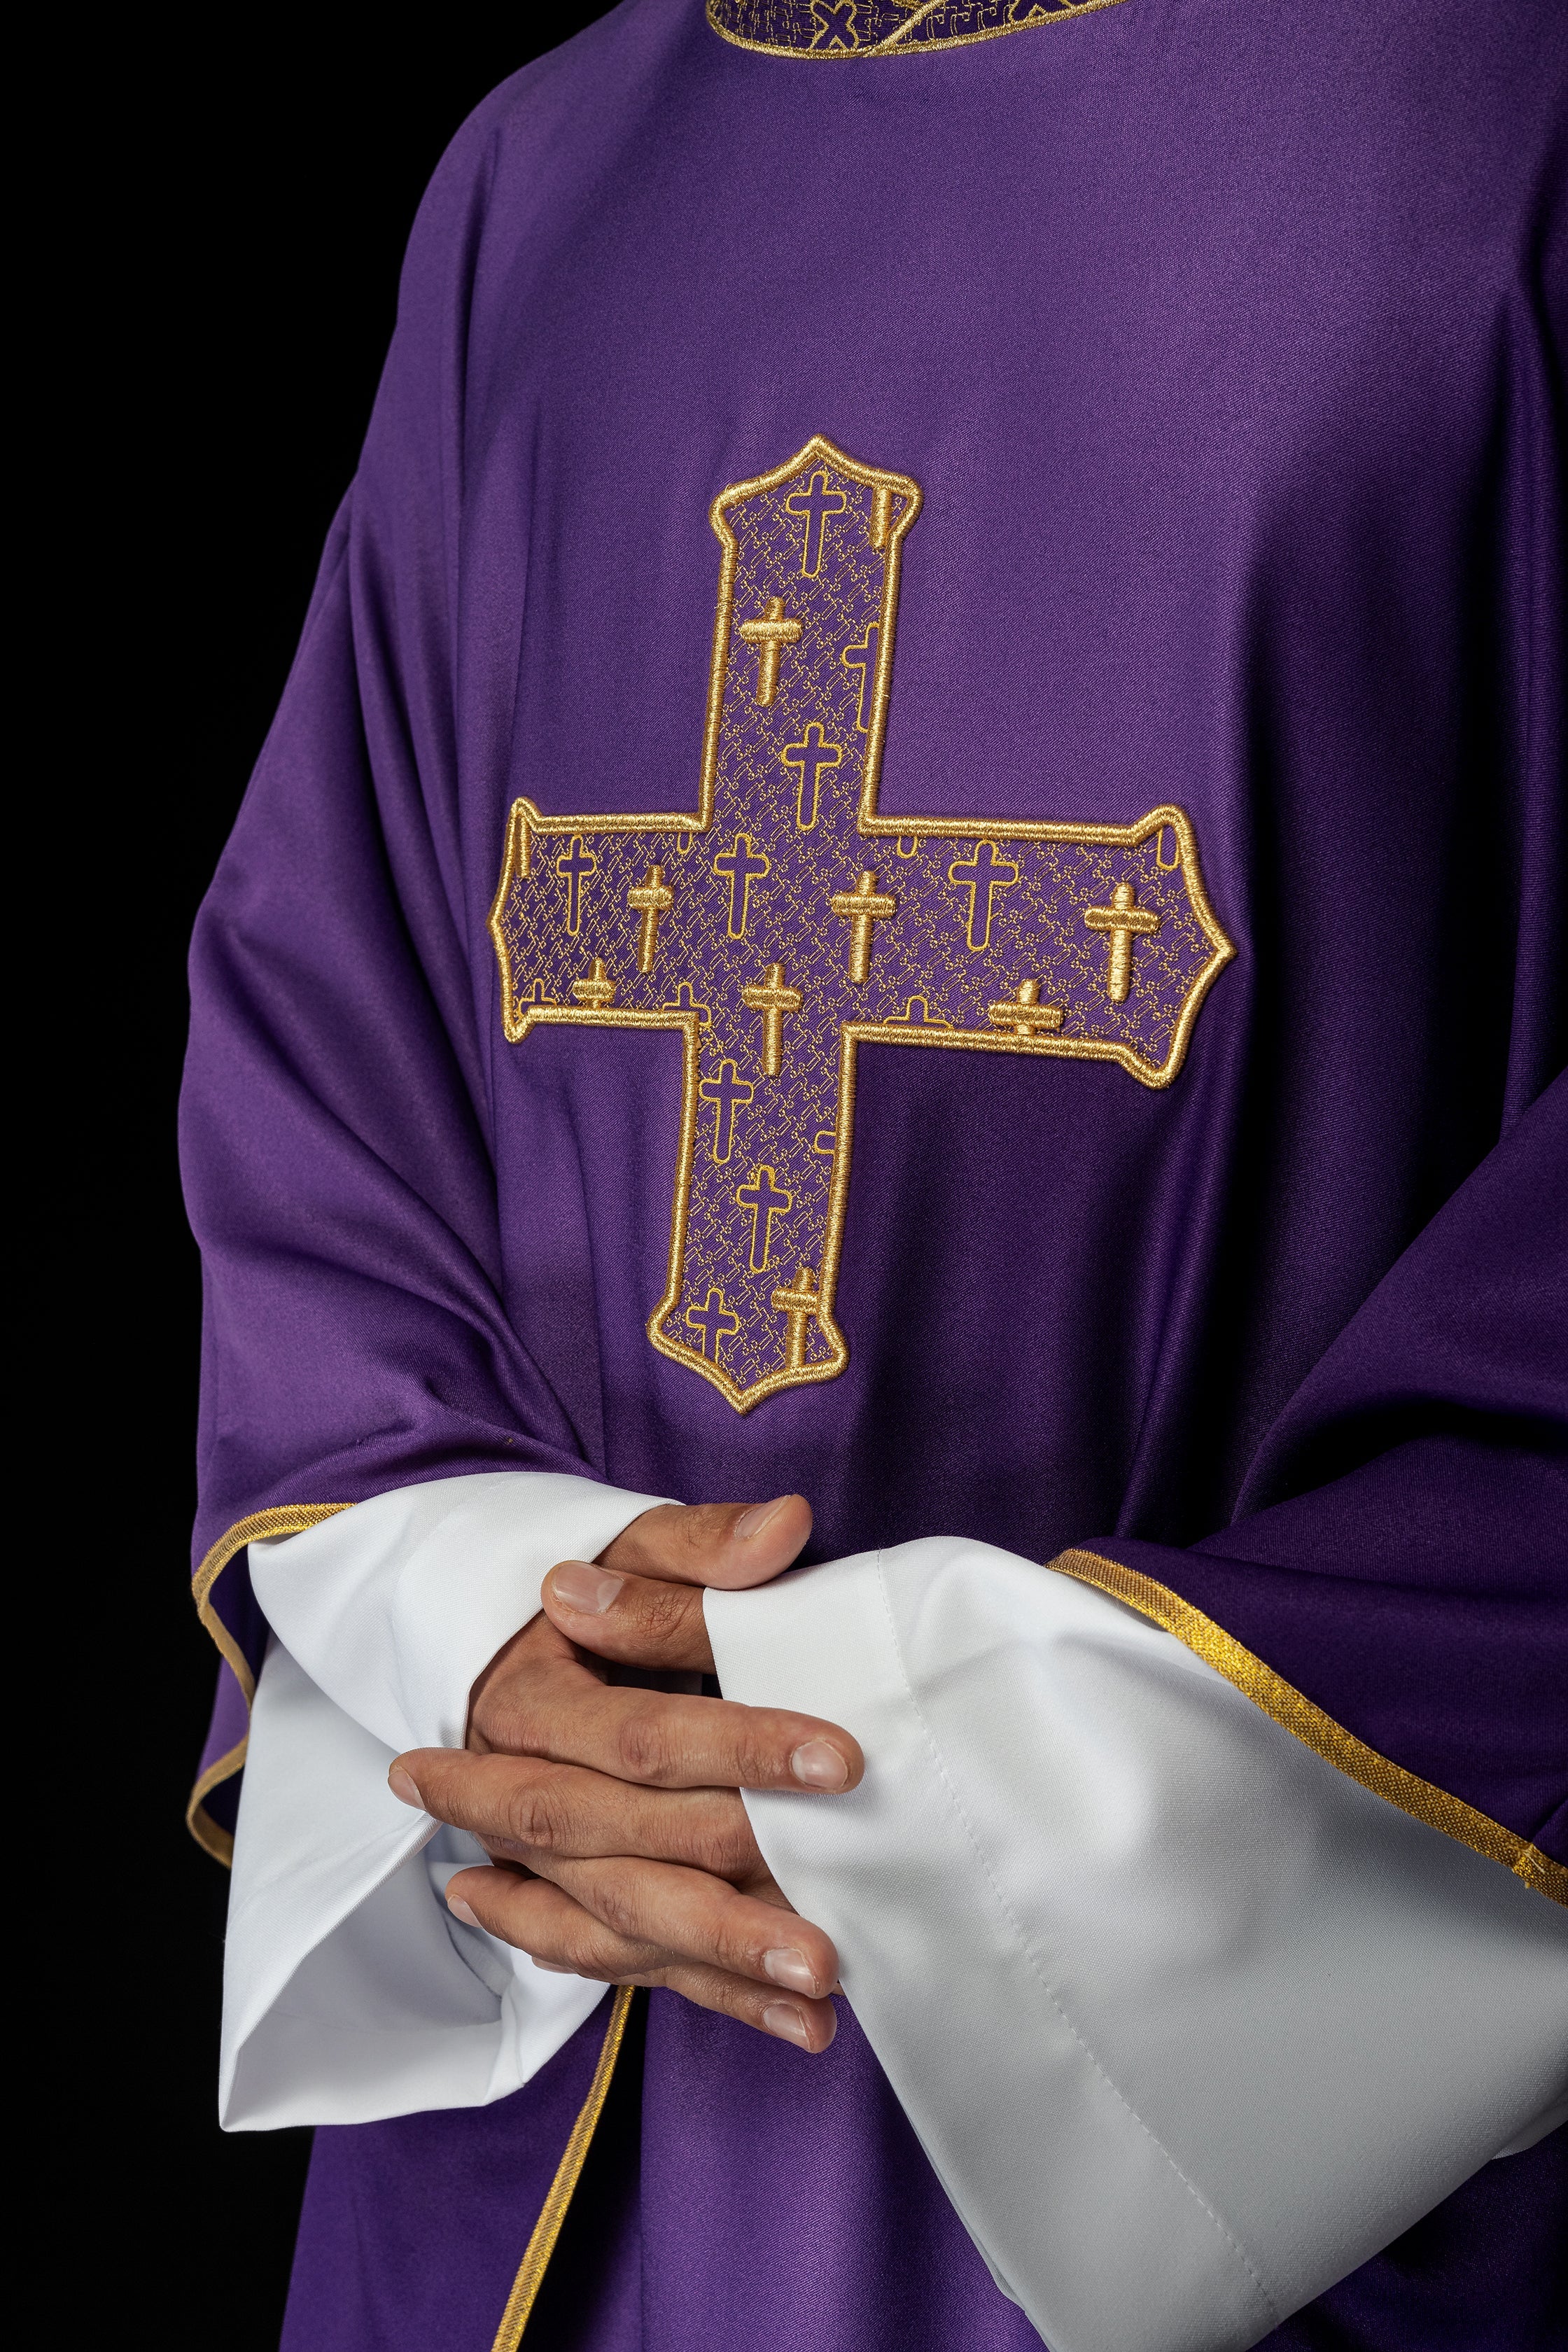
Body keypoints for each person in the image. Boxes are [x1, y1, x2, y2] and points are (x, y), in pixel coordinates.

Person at [181, 1, 1568, 2346]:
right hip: (545, 2115)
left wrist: (937, 1756)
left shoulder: (1505, 116)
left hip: (1239, 2131)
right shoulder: (541, 186)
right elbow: (333, 1055)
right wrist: (495, 1628)